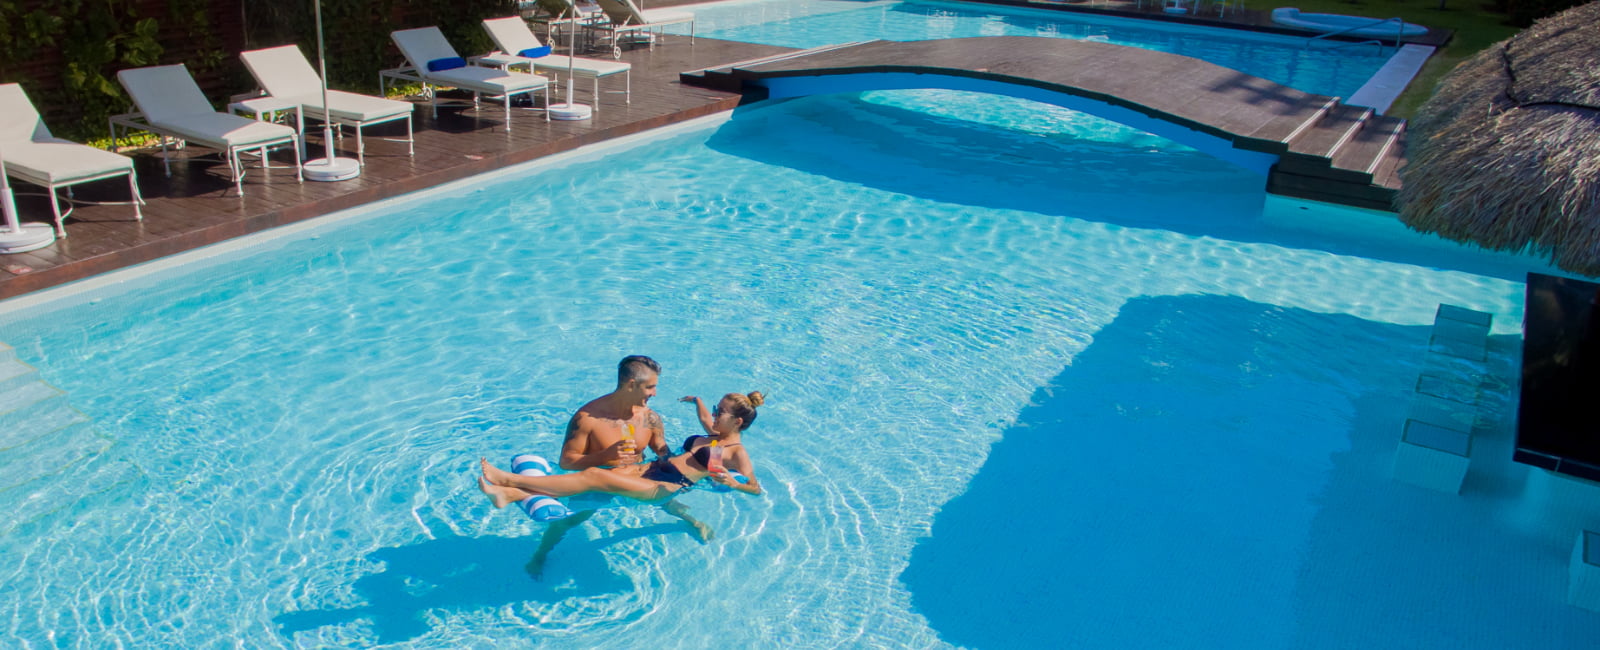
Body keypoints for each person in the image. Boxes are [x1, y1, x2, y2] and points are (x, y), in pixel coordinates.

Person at [521, 355, 709, 578]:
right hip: (601, 484)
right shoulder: (588, 419)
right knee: (569, 521)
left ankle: (694, 522)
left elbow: (659, 445)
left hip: (638, 478)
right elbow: (567, 461)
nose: (654, 394)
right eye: (650, 387)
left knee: (666, 501)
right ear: (631, 385)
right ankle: (539, 556)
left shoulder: (650, 418)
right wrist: (604, 455)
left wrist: (676, 460)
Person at [480, 390, 766, 508]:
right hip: (652, 469)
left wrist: (734, 483)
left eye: (721, 412)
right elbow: (704, 418)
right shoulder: (713, 435)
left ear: (737, 422)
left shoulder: (735, 452)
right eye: (716, 409)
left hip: (665, 486)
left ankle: (508, 479)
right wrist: (698, 401)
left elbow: (755, 487)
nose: (714, 415)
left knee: (594, 475)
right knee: (595, 484)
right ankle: (510, 494)